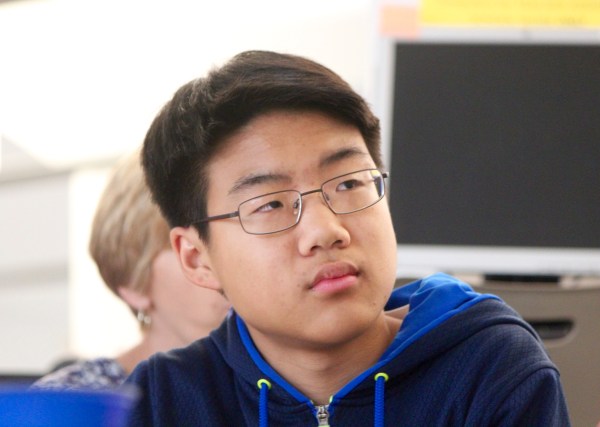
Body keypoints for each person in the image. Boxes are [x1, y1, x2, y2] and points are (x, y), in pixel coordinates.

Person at [126, 50, 570, 426]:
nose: (326, 231)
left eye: (349, 183)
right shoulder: (159, 404)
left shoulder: (490, 369)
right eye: (270, 204)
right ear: (197, 258)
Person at [32, 151, 231, 390]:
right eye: (190, 247)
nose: (228, 262)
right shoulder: (71, 399)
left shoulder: (265, 387)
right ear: (134, 282)